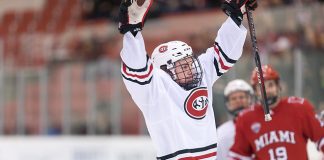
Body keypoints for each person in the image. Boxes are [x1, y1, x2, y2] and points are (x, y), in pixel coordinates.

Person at [118, 0, 257, 159]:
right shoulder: (155, 90)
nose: (191, 68)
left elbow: (225, 52)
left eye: (190, 62)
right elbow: (137, 68)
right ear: (164, 70)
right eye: (183, 66)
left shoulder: (201, 73)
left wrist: (236, 16)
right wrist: (132, 32)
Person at [229, 65, 324, 160]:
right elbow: (238, 155)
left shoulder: (300, 108)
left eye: (270, 85)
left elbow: (321, 137)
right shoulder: (246, 118)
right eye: (261, 87)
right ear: (255, 92)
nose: (267, 91)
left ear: (278, 86)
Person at [217, 79, 254, 160]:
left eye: (241, 97)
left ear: (250, 99)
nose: (238, 101)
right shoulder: (220, 133)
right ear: (228, 103)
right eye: (233, 98)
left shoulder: (263, 124)